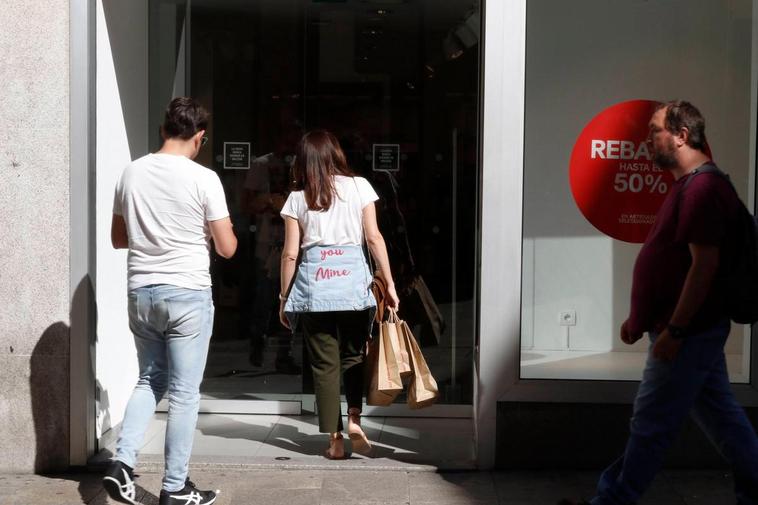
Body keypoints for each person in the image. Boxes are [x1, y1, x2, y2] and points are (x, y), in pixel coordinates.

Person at [560, 101, 758, 505]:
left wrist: (675, 330)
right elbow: (670, 263)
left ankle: (610, 502)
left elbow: (704, 267)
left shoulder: (703, 189)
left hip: (688, 334)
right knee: (724, 420)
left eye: (654, 131)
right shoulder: (689, 186)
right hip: (686, 331)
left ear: (681, 135)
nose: (646, 140)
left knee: (650, 425)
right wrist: (640, 318)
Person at [103, 97, 237, 505]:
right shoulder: (204, 178)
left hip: (141, 291)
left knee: (149, 379)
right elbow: (227, 247)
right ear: (200, 137)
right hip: (187, 294)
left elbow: (118, 239)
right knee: (183, 393)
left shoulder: (131, 172)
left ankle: (122, 464)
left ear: (164, 130)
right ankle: (175, 487)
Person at [278, 130, 400, 459]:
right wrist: (389, 282)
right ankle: (356, 418)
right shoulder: (360, 187)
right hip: (353, 286)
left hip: (315, 289)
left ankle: (335, 439)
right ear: (336, 154)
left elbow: (290, 254)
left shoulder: (297, 198)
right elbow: (374, 238)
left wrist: (283, 297)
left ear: (303, 161)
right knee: (353, 355)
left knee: (324, 364)